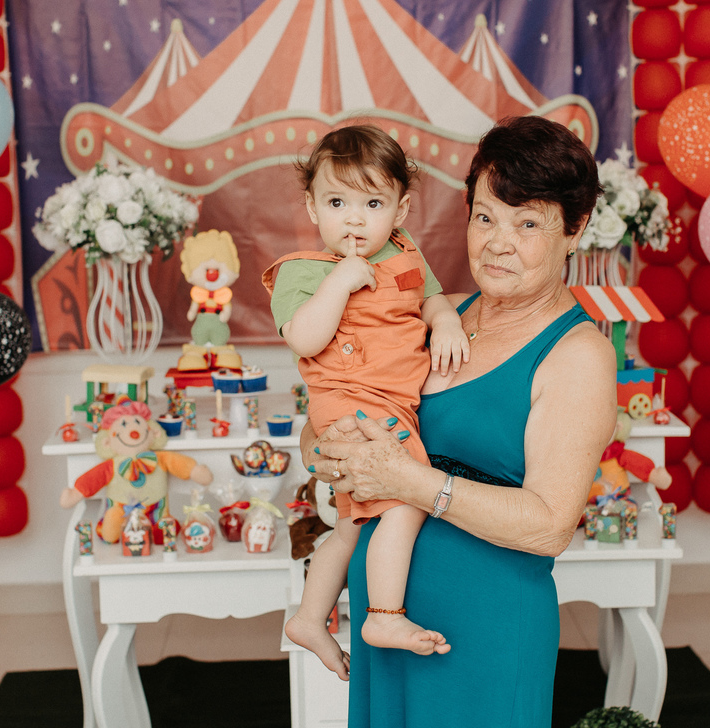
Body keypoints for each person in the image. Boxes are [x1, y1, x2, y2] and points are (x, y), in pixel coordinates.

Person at [305, 116, 618, 727]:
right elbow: (337, 406)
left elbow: (550, 526)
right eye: (485, 216)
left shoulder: (579, 355)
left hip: (483, 628)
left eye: (528, 224)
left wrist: (408, 481)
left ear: (575, 230)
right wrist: (326, 445)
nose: (498, 243)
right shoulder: (440, 313)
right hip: (388, 623)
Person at [262, 125, 470, 678]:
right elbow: (304, 339)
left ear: (400, 211)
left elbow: (431, 299)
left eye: (372, 203)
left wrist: (446, 319)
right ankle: (382, 614)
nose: (354, 219)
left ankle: (310, 617)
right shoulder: (301, 272)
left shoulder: (406, 255)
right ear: (311, 206)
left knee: (353, 523)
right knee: (407, 496)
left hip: (392, 406)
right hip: (351, 405)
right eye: (337, 202)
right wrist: (341, 282)